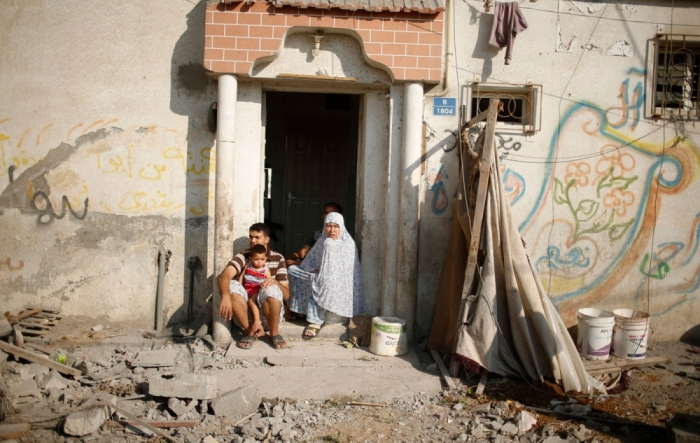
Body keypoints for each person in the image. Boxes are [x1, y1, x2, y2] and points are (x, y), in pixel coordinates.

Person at [288, 212, 365, 339]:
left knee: (318, 282)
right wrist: (313, 270)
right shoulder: (322, 241)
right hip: (320, 275)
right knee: (292, 270)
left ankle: (316, 321)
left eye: (336, 226)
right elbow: (309, 260)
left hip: (339, 282)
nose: (332, 230)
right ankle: (302, 311)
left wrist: (322, 274)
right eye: (329, 226)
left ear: (341, 227)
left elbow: (343, 272)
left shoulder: (347, 243)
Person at [217, 223, 289, 349]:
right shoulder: (244, 256)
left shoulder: (278, 258)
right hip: (246, 316)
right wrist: (225, 296)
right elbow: (225, 276)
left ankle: (274, 333)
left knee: (271, 287)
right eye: (250, 237)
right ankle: (248, 331)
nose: (252, 240)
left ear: (266, 239)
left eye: (257, 237)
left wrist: (275, 282)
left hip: (270, 316)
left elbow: (287, 295)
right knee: (232, 285)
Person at [285, 202, 343, 267]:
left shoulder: (342, 237)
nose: (327, 216)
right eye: (326, 213)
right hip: (311, 265)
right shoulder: (318, 234)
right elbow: (302, 253)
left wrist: (301, 263)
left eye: (331, 214)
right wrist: (293, 258)